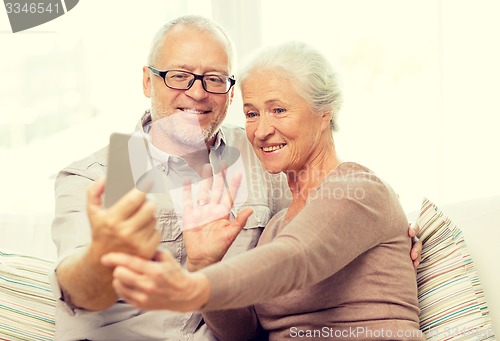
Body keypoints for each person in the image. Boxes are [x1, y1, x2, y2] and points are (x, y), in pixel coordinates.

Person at [50, 15, 422, 341]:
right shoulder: (97, 176)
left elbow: (323, 227)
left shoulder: (264, 158)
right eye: (179, 76)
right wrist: (104, 256)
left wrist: (404, 229)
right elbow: (79, 292)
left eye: (213, 79)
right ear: (148, 81)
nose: (197, 93)